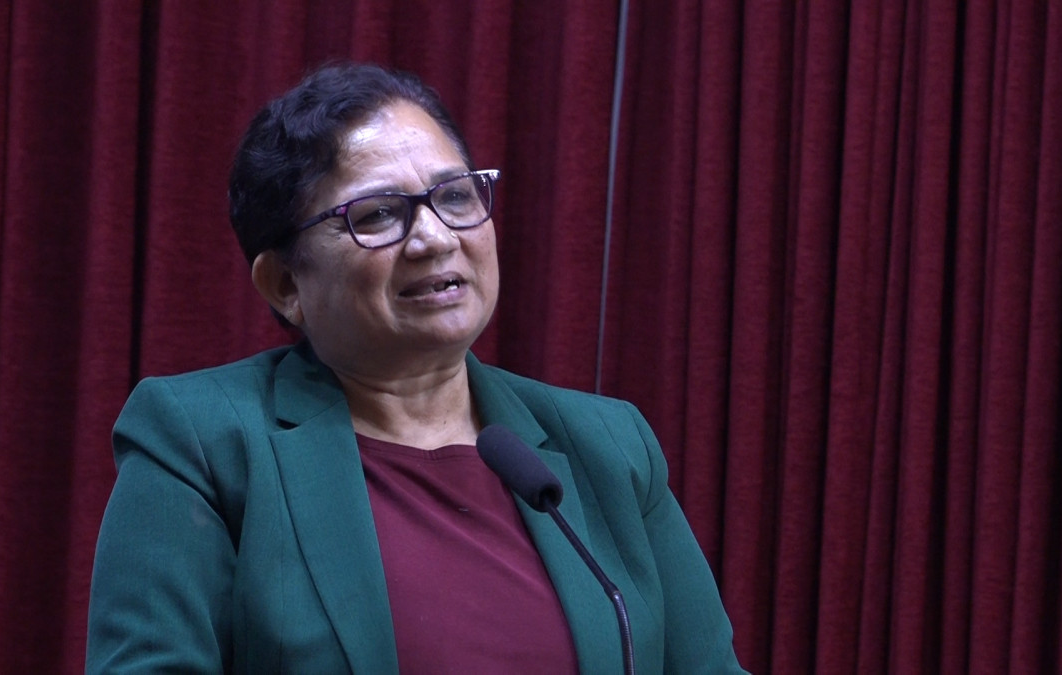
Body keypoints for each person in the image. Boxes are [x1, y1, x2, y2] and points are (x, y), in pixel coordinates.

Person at [86, 61, 745, 674]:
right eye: (378, 214)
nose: (434, 237)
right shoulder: (202, 441)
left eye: (454, 196)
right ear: (285, 283)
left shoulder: (608, 446)